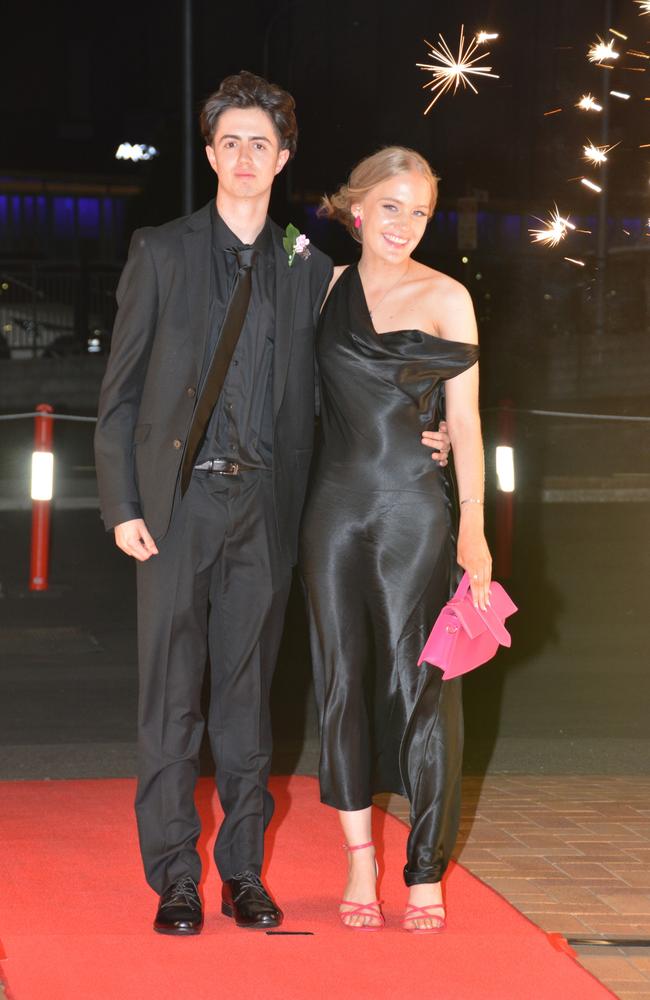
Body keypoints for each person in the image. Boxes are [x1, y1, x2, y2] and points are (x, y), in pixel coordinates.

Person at [94, 71, 337, 935]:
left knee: (245, 700)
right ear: (209, 153)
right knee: (172, 701)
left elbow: (349, 387)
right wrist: (122, 502)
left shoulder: (309, 268)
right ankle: (174, 879)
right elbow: (119, 395)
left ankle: (241, 871)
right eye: (228, 141)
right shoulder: (160, 251)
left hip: (263, 511)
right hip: (175, 509)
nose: (243, 157)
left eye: (259, 144)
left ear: (283, 158)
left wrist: (432, 430)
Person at [300, 147, 491, 932]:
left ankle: (423, 867)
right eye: (390, 206)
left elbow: (468, 423)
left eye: (419, 212)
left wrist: (474, 525)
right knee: (340, 677)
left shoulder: (447, 295)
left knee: (424, 685)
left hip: (416, 509)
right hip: (332, 510)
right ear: (355, 207)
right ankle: (357, 858)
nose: (404, 225)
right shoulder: (323, 287)